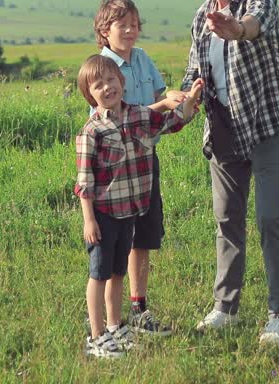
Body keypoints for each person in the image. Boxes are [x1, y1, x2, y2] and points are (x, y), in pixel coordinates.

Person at [181, 0, 279, 345]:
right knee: (226, 221)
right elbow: (194, 74)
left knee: (269, 218)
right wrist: (187, 98)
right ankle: (225, 309)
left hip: (268, 126)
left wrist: (235, 29)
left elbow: (253, 27)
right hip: (225, 131)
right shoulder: (201, 18)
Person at [74, 54, 203, 359]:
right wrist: (89, 220)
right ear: (89, 95)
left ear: (123, 82)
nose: (107, 87)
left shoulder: (137, 116)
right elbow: (84, 182)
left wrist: (190, 101)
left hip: (129, 212)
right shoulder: (90, 133)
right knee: (100, 274)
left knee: (119, 271)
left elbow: (172, 122)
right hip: (104, 215)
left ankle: (116, 325)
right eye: (98, 85)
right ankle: (96, 335)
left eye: (111, 80)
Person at [92, 0, 186, 336]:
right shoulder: (102, 68)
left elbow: (160, 99)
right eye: (123, 25)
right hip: (116, 167)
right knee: (119, 242)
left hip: (145, 160)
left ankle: (139, 309)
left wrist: (182, 98)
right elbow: (116, 116)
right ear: (105, 30)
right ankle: (111, 324)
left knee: (143, 237)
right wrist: (162, 104)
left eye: (135, 23)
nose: (131, 30)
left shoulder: (143, 58)